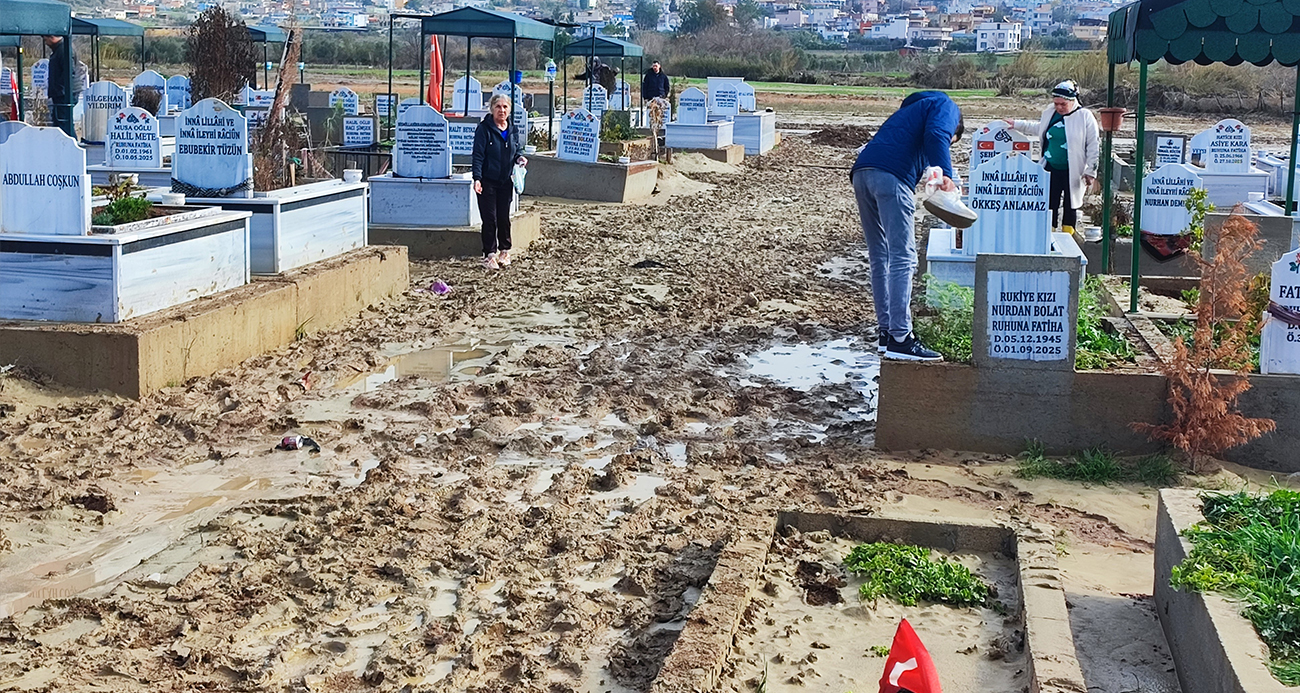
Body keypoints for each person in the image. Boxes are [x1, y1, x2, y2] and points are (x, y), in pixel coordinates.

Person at [849, 90, 965, 362]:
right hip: (891, 177)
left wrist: (942, 174)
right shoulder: (945, 106)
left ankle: (886, 333)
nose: (949, 142)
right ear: (956, 126)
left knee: (880, 255)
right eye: (953, 140)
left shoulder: (909, 113)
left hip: (862, 174)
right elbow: (938, 136)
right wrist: (946, 175)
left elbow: (923, 144)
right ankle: (901, 338)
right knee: (904, 258)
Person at [1004, 80, 1099, 236]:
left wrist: (1091, 171)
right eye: (1056, 104)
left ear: (1072, 100)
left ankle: (1068, 236)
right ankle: (1048, 235)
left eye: (1063, 104)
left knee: (1070, 205)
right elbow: (1039, 127)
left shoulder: (1084, 117)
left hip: (1073, 170)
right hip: (1051, 167)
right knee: (1049, 203)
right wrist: (1016, 124)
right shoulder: (1050, 113)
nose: (1059, 107)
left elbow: (1093, 145)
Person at [472, 93, 527, 270]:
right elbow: (478, 156)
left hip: (506, 181)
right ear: (492, 109)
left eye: (505, 107)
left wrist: (519, 159)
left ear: (509, 110)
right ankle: (489, 254)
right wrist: (477, 178)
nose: (501, 110)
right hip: (488, 181)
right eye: (498, 107)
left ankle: (505, 251)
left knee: (504, 218)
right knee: (490, 219)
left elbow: (516, 150)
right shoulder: (484, 129)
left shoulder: (512, 129)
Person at [44, 35, 78, 138]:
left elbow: (69, 72)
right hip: (61, 93)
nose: (44, 41)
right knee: (60, 122)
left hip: (64, 94)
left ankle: (71, 148)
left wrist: (60, 90)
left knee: (64, 124)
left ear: (52, 37)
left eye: (45, 38)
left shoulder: (64, 49)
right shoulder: (60, 49)